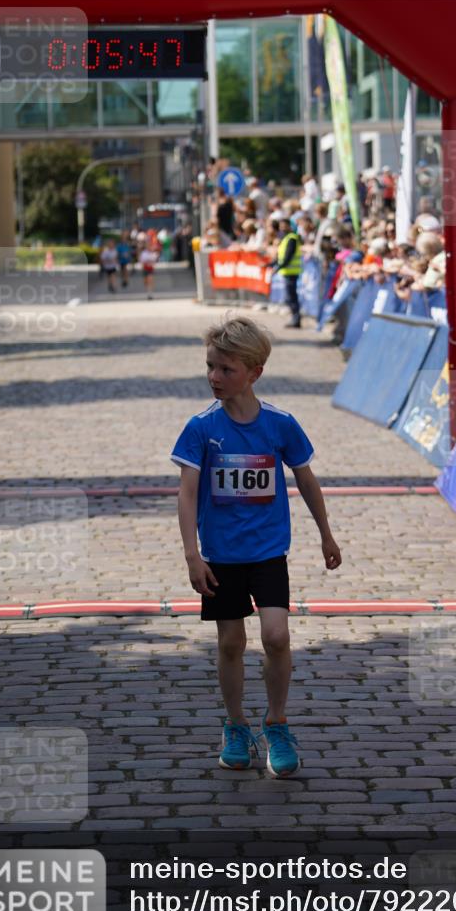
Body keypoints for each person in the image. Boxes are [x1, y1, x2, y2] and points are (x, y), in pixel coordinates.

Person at [171, 316, 341, 777]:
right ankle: (236, 725)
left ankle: (278, 722)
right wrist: (192, 554)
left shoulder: (280, 424)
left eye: (225, 369)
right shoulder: (201, 428)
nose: (214, 377)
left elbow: (305, 478)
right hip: (221, 556)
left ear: (254, 372)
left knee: (276, 635)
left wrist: (325, 531)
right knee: (230, 643)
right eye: (210, 367)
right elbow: (187, 493)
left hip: (269, 552)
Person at [276, 217, 302, 328]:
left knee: (291, 297)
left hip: (291, 272)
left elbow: (288, 257)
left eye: (284, 225)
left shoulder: (291, 239)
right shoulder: (286, 238)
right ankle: (295, 318)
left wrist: (278, 267)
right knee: (290, 297)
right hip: (287, 272)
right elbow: (280, 257)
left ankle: (296, 319)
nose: (282, 228)